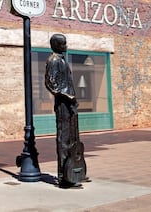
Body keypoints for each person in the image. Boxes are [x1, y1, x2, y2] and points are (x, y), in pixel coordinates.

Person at [45, 34, 86, 188]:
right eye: (63, 43)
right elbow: (51, 84)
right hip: (63, 104)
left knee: (74, 137)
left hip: (70, 103)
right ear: (56, 45)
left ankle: (74, 170)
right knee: (64, 139)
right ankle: (64, 176)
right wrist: (69, 96)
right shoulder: (54, 60)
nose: (66, 45)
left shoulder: (61, 59)